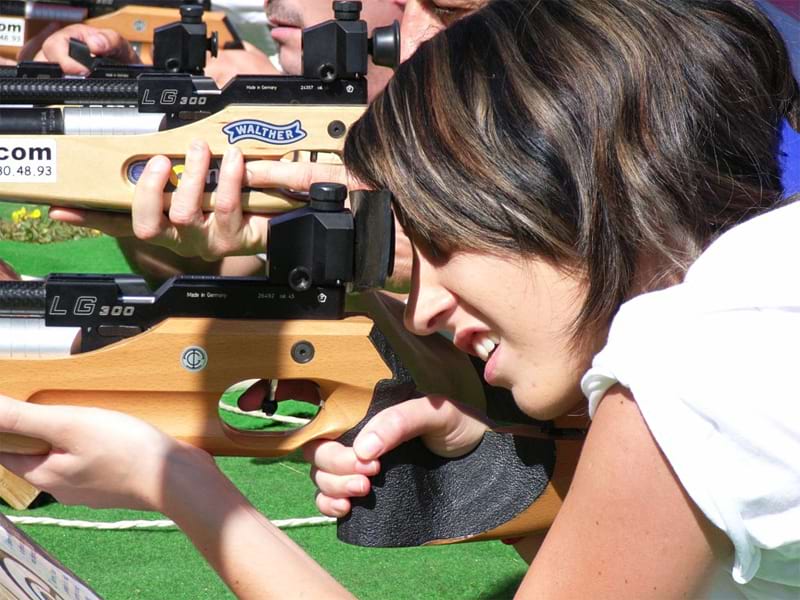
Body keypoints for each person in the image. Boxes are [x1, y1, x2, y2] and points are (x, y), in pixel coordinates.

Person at [2, 0, 799, 597]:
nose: (419, 309)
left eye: (442, 243)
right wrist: (480, 454)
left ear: (560, 193)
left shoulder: (706, 349)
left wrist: (177, 484)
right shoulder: (748, 298)